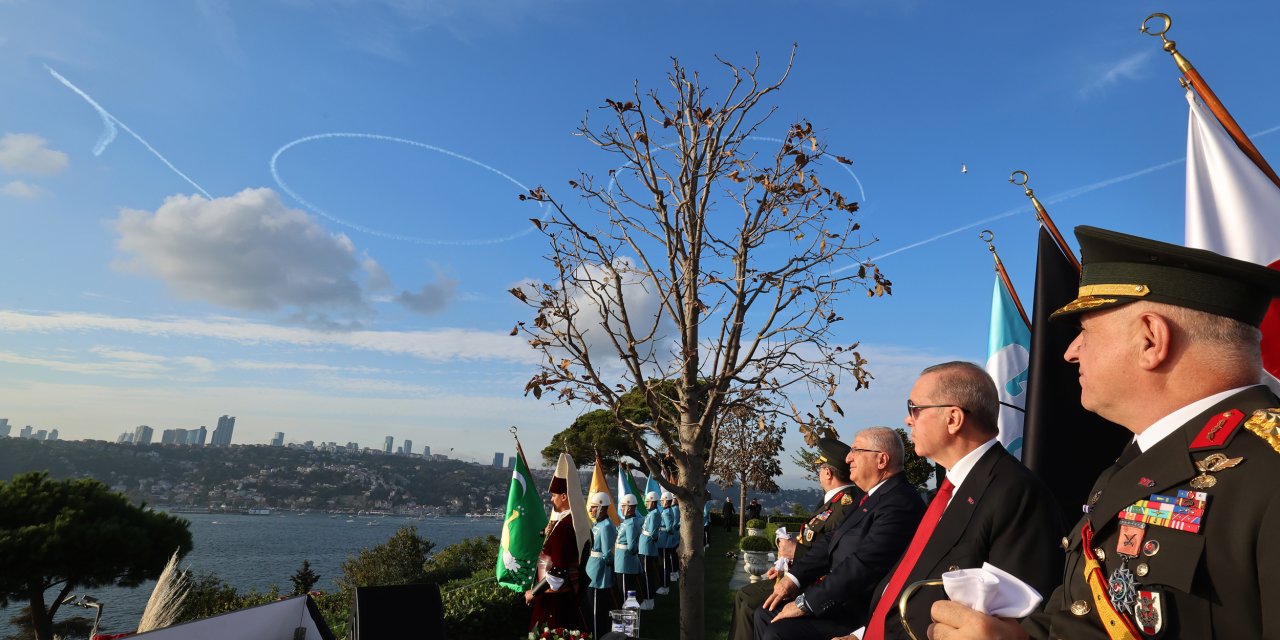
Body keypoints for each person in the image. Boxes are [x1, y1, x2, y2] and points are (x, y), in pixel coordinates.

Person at [929, 226, 1280, 639]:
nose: (1070, 351)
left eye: (1086, 331)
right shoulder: (1132, 465)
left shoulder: (1268, 470)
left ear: (1151, 339)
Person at [839, 361, 1063, 640]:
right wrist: (863, 634)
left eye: (915, 408)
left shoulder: (1017, 493)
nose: (908, 419)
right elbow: (910, 579)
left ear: (953, 419)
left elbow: (1010, 625)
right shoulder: (947, 491)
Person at [753, 427, 926, 640]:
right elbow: (830, 541)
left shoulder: (900, 502)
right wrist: (793, 578)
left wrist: (805, 603)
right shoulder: (869, 497)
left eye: (856, 450)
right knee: (764, 614)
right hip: (841, 601)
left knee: (777, 632)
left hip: (861, 613)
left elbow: (864, 564)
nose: (848, 458)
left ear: (882, 460)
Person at [729, 437, 862, 640]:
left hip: (813, 585)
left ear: (828, 472)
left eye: (820, 468)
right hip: (801, 574)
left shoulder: (845, 506)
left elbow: (834, 555)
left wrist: (795, 553)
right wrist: (787, 562)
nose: (819, 473)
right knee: (744, 599)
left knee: (748, 601)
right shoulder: (833, 502)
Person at [526, 476, 587, 631]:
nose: (551, 499)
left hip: (554, 599)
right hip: (557, 596)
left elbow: (559, 569)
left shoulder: (565, 526)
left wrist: (534, 592)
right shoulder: (566, 522)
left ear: (564, 496)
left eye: (553, 495)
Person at [583, 491, 617, 640]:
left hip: (598, 576)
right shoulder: (598, 524)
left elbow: (607, 554)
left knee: (596, 613)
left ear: (602, 508)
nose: (590, 510)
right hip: (591, 572)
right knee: (590, 611)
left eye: (593, 507)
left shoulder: (606, 526)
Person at [613, 493, 645, 607]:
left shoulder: (630, 523)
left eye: (622, 506)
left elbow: (631, 546)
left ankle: (627, 620)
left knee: (625, 593)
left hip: (625, 563)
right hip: (622, 562)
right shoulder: (627, 522)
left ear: (629, 507)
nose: (621, 508)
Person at [640, 490, 664, 601]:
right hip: (645, 546)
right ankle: (649, 595)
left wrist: (648, 541)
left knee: (646, 573)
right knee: (646, 572)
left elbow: (652, 533)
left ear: (653, 502)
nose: (646, 504)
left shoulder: (654, 514)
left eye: (648, 501)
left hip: (647, 547)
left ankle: (649, 598)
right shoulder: (651, 513)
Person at [660, 491, 681, 583]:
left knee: (669, 557)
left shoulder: (669, 510)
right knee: (671, 556)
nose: (660, 502)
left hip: (666, 538)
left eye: (662, 500)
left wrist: (672, 532)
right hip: (670, 536)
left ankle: (673, 573)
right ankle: (674, 572)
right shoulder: (670, 510)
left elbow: (670, 526)